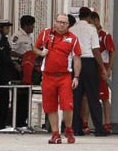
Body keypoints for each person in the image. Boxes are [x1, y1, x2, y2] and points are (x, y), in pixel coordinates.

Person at [33, 13, 81, 144]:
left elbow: (77, 58)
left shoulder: (73, 38)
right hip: (48, 76)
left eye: (64, 23)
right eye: (59, 21)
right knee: (50, 106)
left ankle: (69, 129)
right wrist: (41, 52)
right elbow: (35, 47)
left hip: (64, 76)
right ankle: (55, 133)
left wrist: (76, 77)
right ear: (55, 22)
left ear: (68, 25)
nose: (61, 24)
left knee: (67, 105)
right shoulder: (45, 34)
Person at [70, 7, 109, 136]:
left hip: (75, 62)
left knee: (76, 97)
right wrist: (102, 68)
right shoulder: (91, 29)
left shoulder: (71, 30)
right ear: (89, 17)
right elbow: (95, 50)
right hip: (89, 63)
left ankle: (76, 128)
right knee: (93, 96)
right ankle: (99, 128)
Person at [89, 11, 116, 132]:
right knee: (87, 96)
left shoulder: (105, 35)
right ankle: (86, 123)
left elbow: (112, 51)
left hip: (102, 68)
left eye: (91, 22)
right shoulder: (89, 34)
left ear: (96, 21)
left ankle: (107, 123)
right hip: (90, 67)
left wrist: (108, 69)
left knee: (104, 96)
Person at [0, 20, 17, 131]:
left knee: (4, 99)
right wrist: (14, 64)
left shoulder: (2, 40)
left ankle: (0, 123)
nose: (8, 30)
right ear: (3, 29)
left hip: (2, 73)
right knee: (3, 99)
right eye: (7, 28)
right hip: (2, 74)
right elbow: (5, 58)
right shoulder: (1, 41)